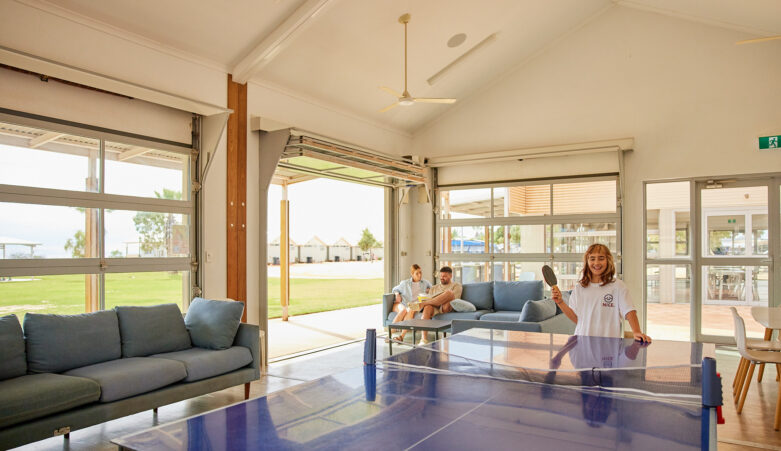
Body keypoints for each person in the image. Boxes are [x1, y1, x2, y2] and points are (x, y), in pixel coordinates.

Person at [552, 243, 651, 343]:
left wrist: (636, 331)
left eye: (601, 258)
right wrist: (560, 302)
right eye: (592, 259)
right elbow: (577, 319)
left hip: (609, 345)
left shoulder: (618, 286)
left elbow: (629, 311)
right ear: (587, 261)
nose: (596, 263)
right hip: (582, 344)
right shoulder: (579, 288)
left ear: (608, 260)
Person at [417, 266, 462, 344]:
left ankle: (423, 304)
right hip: (435, 307)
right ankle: (423, 340)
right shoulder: (434, 288)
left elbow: (455, 299)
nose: (442, 278)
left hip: (446, 307)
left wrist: (438, 299)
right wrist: (432, 301)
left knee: (449, 293)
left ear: (450, 276)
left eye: (444, 276)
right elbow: (430, 299)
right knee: (427, 307)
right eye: (441, 276)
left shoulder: (456, 285)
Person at [390, 264, 432, 341]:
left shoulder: (425, 283)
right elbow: (394, 289)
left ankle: (401, 336)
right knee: (404, 310)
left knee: (411, 309)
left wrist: (429, 291)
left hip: (417, 305)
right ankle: (389, 335)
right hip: (405, 304)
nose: (420, 275)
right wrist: (397, 294)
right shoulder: (405, 283)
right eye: (417, 273)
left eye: (420, 272)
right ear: (412, 274)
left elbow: (433, 289)